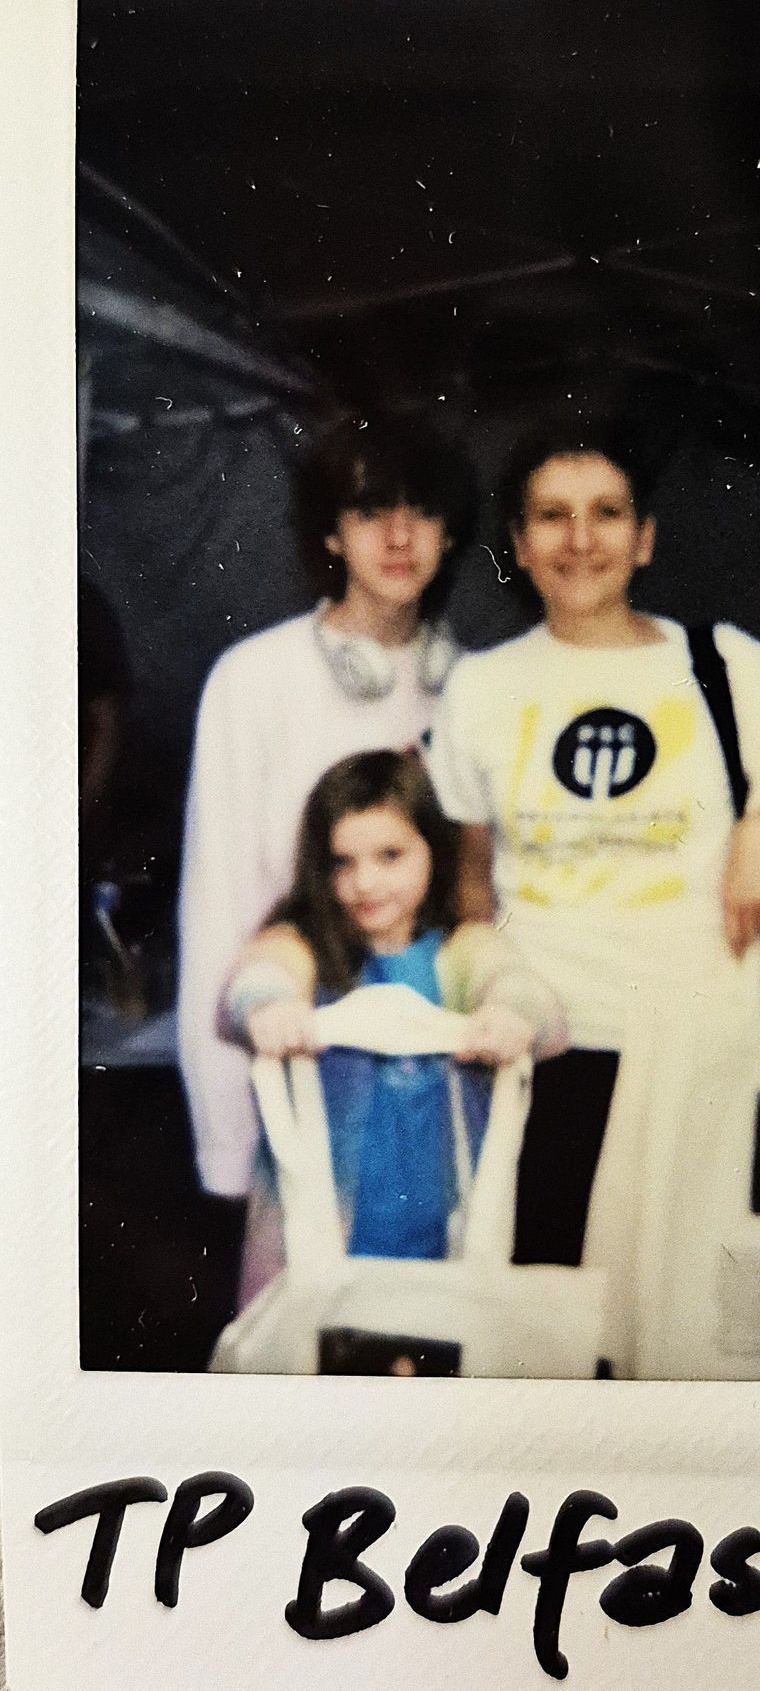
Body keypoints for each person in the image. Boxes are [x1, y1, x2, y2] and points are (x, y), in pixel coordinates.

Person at [429, 411, 760, 1265]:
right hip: (549, 1050)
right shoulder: (480, 688)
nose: (581, 539)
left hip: (704, 1045)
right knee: (552, 1312)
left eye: (607, 513)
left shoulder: (725, 666)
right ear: (520, 544)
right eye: (552, 515)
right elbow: (472, 882)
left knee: (688, 1312)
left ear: (644, 540)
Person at [178, 410, 476, 1202]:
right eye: (372, 511)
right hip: (301, 1067)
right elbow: (217, 911)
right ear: (332, 535)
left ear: (451, 536)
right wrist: (228, 1141)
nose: (401, 536)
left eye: (424, 512)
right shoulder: (254, 679)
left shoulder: (476, 687)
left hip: (443, 1083)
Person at [224, 748, 567, 1295]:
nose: (366, 882)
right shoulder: (305, 945)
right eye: (343, 862)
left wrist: (510, 1014)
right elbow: (259, 976)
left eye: (390, 855)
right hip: (322, 1232)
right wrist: (271, 1006)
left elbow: (527, 995)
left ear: (434, 849)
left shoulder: (460, 948)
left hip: (439, 1228)